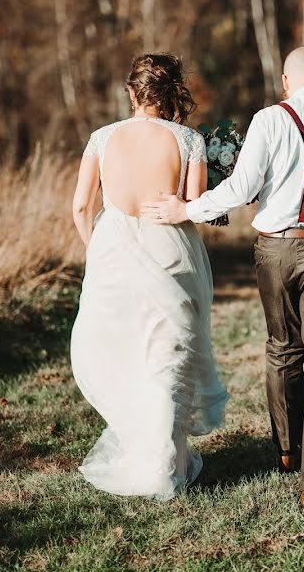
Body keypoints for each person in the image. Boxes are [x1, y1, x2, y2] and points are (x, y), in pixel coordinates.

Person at [142, 47, 304, 507]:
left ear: (285, 81)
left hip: (275, 250)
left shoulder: (269, 120)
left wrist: (188, 210)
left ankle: (287, 448)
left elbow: (241, 188)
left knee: (283, 347)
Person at [70, 53, 229, 501]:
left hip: (113, 255)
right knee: (170, 356)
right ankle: (171, 468)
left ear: (131, 92)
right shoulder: (189, 141)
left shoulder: (101, 138)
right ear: (171, 91)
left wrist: (98, 249)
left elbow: (81, 207)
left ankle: (145, 457)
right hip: (170, 250)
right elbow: (193, 205)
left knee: (127, 353)